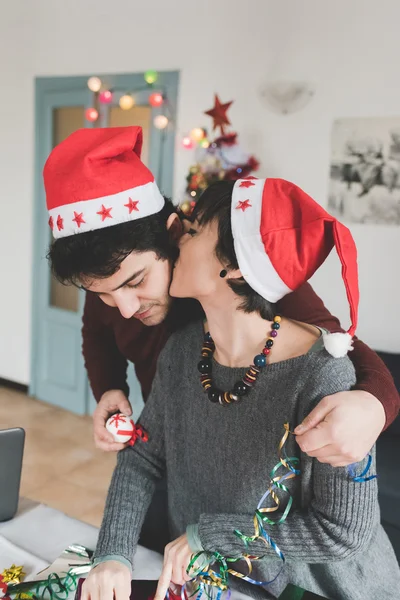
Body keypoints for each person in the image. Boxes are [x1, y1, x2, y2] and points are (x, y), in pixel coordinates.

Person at [81, 178, 400, 600]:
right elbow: (141, 456)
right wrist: (113, 554)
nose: (177, 239)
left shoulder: (324, 377)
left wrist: (209, 535)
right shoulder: (181, 353)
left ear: (231, 265)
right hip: (218, 583)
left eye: (192, 233)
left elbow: (341, 534)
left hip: (325, 590)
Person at [44, 126, 399, 476]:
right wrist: (109, 388)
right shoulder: (110, 280)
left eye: (136, 281)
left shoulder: (244, 268)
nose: (124, 307)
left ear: (174, 233)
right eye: (100, 293)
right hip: (173, 458)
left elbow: (340, 346)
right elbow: (97, 334)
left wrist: (373, 407)